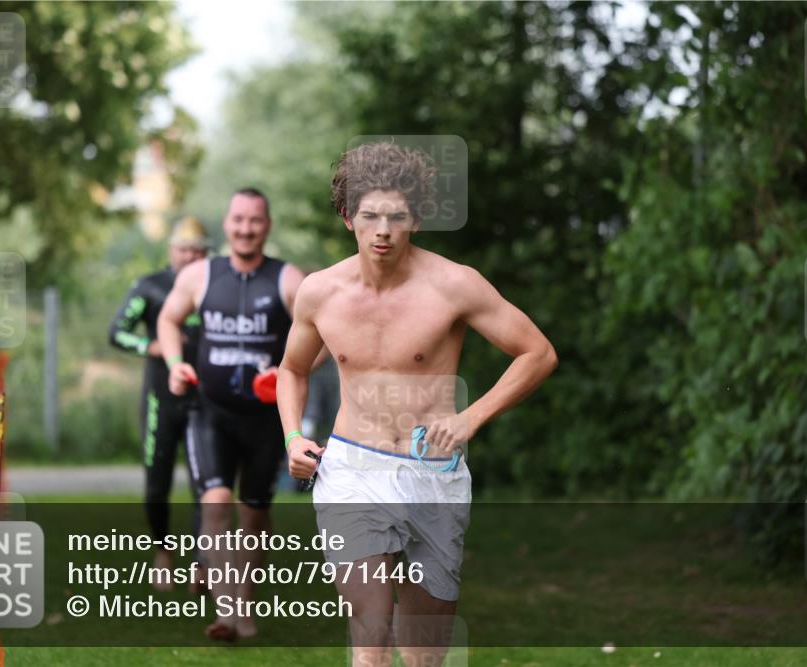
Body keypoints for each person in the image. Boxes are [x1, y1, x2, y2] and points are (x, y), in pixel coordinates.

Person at [276, 142, 558, 667]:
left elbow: (537, 353)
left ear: (417, 219)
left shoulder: (455, 285)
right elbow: (291, 371)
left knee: (424, 653)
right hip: (352, 470)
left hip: (433, 473)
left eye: (397, 217)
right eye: (370, 216)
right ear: (348, 217)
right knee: (371, 637)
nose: (383, 230)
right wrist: (293, 437)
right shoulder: (319, 292)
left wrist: (472, 416)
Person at [157, 187, 313, 640]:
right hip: (211, 412)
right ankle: (229, 613)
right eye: (239, 220)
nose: (246, 229)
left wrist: (293, 370)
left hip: (266, 420)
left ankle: (244, 604)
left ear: (267, 225)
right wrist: (175, 364)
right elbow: (168, 320)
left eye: (255, 220)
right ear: (226, 224)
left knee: (254, 515)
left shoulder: (288, 279)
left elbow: (323, 333)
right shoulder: (201, 275)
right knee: (216, 501)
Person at [108, 216, 209, 591]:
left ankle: (202, 562)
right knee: (156, 485)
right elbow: (116, 332)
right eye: (184, 249)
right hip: (160, 401)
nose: (190, 256)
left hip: (205, 401)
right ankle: (163, 552)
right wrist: (150, 346)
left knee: (207, 485)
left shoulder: (215, 286)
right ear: (171, 250)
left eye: (197, 250)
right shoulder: (150, 286)